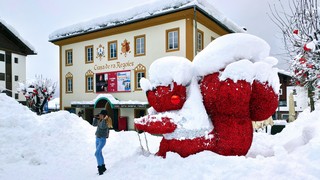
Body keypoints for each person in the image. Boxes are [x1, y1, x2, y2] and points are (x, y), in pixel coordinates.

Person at [92, 110, 111, 175]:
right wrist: (95, 118)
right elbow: (94, 124)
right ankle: (103, 167)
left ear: (104, 116)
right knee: (99, 153)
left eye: (101, 115)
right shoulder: (100, 120)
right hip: (97, 138)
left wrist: (104, 119)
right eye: (99, 114)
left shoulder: (106, 122)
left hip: (102, 140)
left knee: (97, 154)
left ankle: (100, 169)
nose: (99, 115)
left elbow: (102, 126)